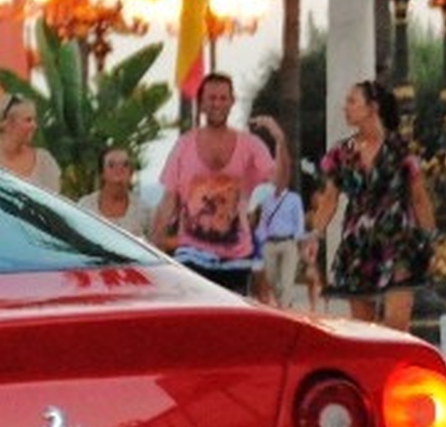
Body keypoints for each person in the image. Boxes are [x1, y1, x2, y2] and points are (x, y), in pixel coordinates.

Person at [152, 72, 288, 294]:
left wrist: (280, 142)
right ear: (202, 103)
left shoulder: (250, 145)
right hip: (191, 254)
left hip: (236, 257)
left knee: (231, 324)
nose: (217, 103)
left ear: (232, 101)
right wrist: (154, 249)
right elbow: (169, 200)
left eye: (223, 98)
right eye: (211, 98)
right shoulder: (183, 146)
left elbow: (280, 183)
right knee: (195, 321)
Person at [320, 78, 437, 330]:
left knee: (397, 323)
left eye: (352, 101)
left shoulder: (401, 150)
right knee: (364, 329)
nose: (346, 107)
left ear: (372, 108)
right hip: (358, 245)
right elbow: (329, 199)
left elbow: (419, 198)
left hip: (398, 243)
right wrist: (314, 234)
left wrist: (430, 238)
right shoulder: (342, 153)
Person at [247, 151, 314, 311]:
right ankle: (281, 304)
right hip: (268, 243)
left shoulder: (293, 198)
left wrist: (300, 244)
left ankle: (284, 309)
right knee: (270, 279)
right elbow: (256, 219)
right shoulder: (263, 195)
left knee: (286, 280)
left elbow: (298, 222)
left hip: (288, 242)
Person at [0, 96, 61, 194]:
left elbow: (53, 203)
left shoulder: (45, 161)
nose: (34, 126)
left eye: (34, 120)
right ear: (5, 123)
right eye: (28, 120)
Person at [90, 145, 155, 240]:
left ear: (131, 172)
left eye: (125, 164)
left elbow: (155, 243)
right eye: (111, 165)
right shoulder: (86, 207)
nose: (119, 169)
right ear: (102, 173)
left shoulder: (144, 210)